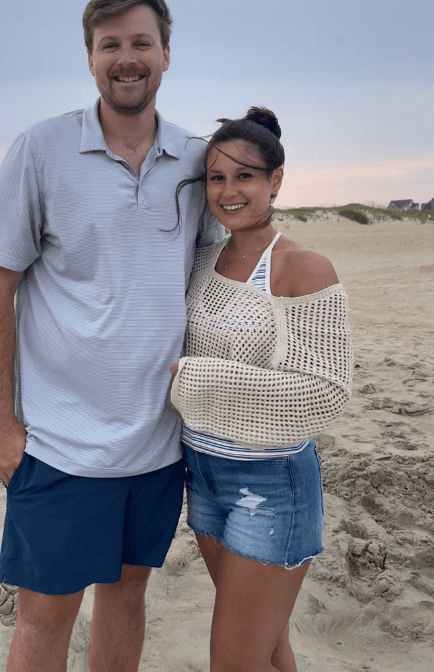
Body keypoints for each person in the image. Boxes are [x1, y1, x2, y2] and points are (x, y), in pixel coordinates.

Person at [0, 0, 223, 672]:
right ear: (90, 60)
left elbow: (223, 276)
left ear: (166, 54)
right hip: (59, 445)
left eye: (141, 42)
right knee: (44, 614)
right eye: (110, 45)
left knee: (127, 598)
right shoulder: (41, 150)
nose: (126, 57)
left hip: (158, 443)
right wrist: (0, 424)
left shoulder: (199, 162)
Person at [170, 107, 353, 672]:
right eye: (216, 178)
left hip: (270, 484)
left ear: (275, 181)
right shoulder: (201, 261)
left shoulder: (303, 267)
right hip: (202, 474)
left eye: (245, 175)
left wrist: (190, 380)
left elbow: (323, 392)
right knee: (266, 648)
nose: (228, 191)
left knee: (232, 659)